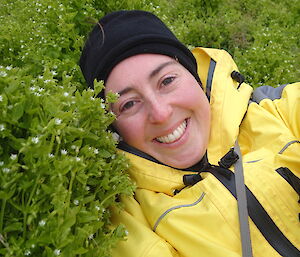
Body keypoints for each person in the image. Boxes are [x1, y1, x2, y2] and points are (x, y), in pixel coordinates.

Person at [80, 10, 300, 257]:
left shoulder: (274, 109)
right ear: (114, 129)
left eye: (166, 81)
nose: (161, 114)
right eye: (129, 104)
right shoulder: (128, 218)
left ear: (194, 76)